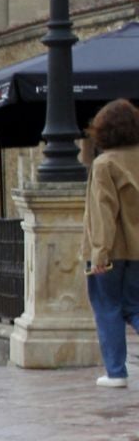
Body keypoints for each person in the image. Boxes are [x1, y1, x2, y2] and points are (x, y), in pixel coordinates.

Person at [83, 98, 139, 389]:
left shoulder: (105, 164)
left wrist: (99, 254)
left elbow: (104, 211)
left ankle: (116, 371)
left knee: (107, 306)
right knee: (134, 306)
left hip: (113, 250)